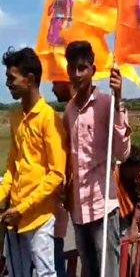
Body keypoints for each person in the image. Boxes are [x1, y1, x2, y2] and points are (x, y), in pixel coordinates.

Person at [63, 41, 131, 277]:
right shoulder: (69, 111)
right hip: (79, 212)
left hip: (104, 209)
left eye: (82, 68)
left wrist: (119, 97)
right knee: (89, 272)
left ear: (93, 70)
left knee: (108, 273)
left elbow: (122, 153)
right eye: (72, 68)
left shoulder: (107, 104)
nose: (77, 74)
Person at [0, 47, 66, 277]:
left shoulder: (49, 119)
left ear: (30, 80)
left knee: (45, 273)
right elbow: (12, 166)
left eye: (11, 78)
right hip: (14, 216)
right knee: (18, 273)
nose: (7, 83)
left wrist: (23, 208)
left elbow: (56, 174)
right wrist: (2, 196)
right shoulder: (16, 116)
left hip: (38, 217)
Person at [51, 81, 75, 277]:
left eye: (54, 84)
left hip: (69, 198)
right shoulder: (70, 110)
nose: (52, 89)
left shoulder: (71, 111)